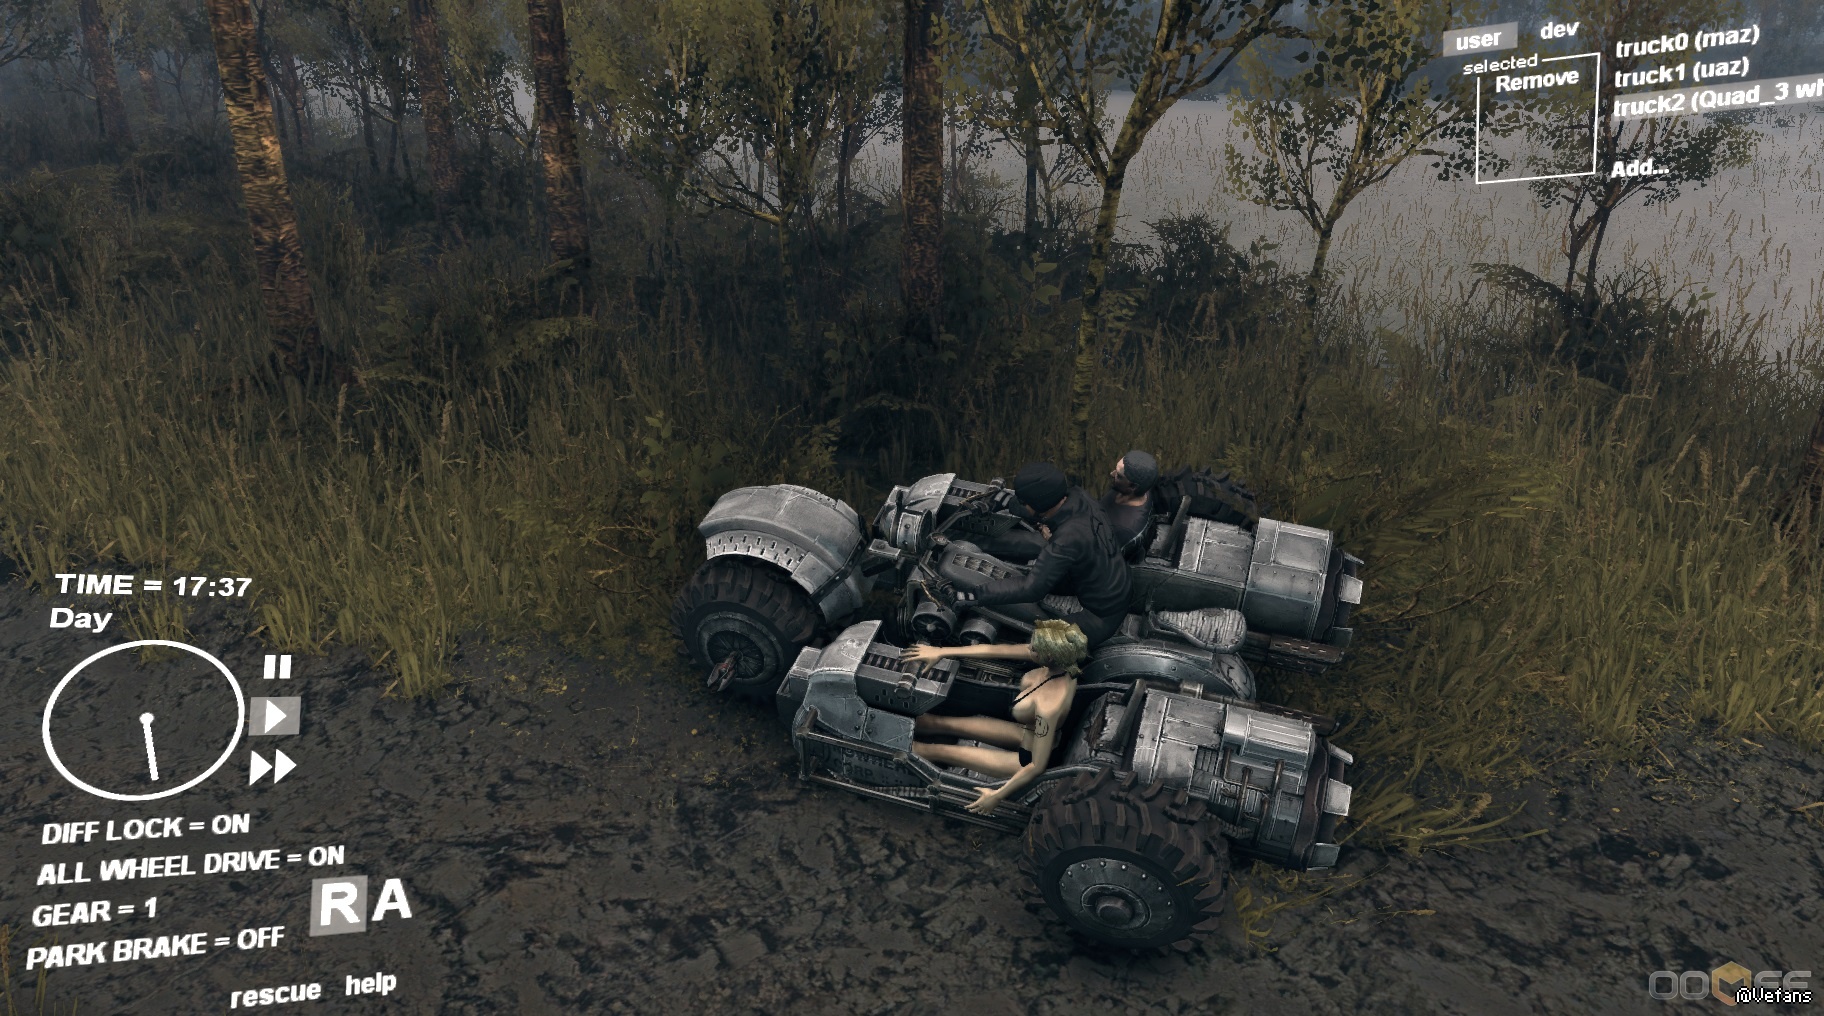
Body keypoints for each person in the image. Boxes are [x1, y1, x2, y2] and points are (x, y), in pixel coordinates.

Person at [900, 619, 1089, 815]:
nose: (1029, 648)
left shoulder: (1050, 704)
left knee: (934, 751)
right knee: (935, 722)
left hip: (1029, 759)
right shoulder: (1060, 662)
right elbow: (995, 650)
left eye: (1033, 648)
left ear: (1048, 655)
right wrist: (940, 651)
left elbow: (1036, 766)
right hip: (1029, 733)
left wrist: (996, 796)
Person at [950, 462, 1132, 648]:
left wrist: (973, 595)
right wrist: (1006, 501)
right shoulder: (1079, 497)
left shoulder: (1068, 538)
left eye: (1024, 502)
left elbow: (1031, 589)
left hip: (1101, 616)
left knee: (1036, 646)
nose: (1021, 504)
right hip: (1111, 583)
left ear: (1039, 504)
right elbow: (1040, 510)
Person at [1100, 449, 1159, 552]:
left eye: (1119, 476)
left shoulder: (1124, 530)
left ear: (1133, 487)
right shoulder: (1140, 488)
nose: (1112, 474)